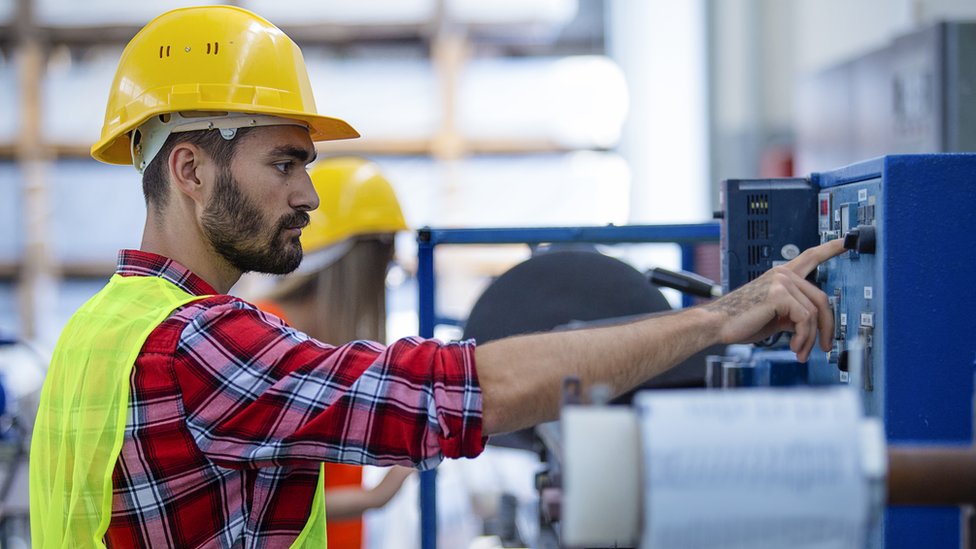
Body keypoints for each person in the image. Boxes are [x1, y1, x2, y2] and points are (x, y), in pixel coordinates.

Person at [28, 5, 847, 548]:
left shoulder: (99, 329)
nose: (309, 194)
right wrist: (717, 319)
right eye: (285, 162)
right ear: (190, 170)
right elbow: (452, 391)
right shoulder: (199, 346)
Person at [255, 156, 414, 549]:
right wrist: (379, 494)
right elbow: (257, 499)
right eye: (382, 268)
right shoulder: (267, 340)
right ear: (355, 268)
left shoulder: (326, 347)